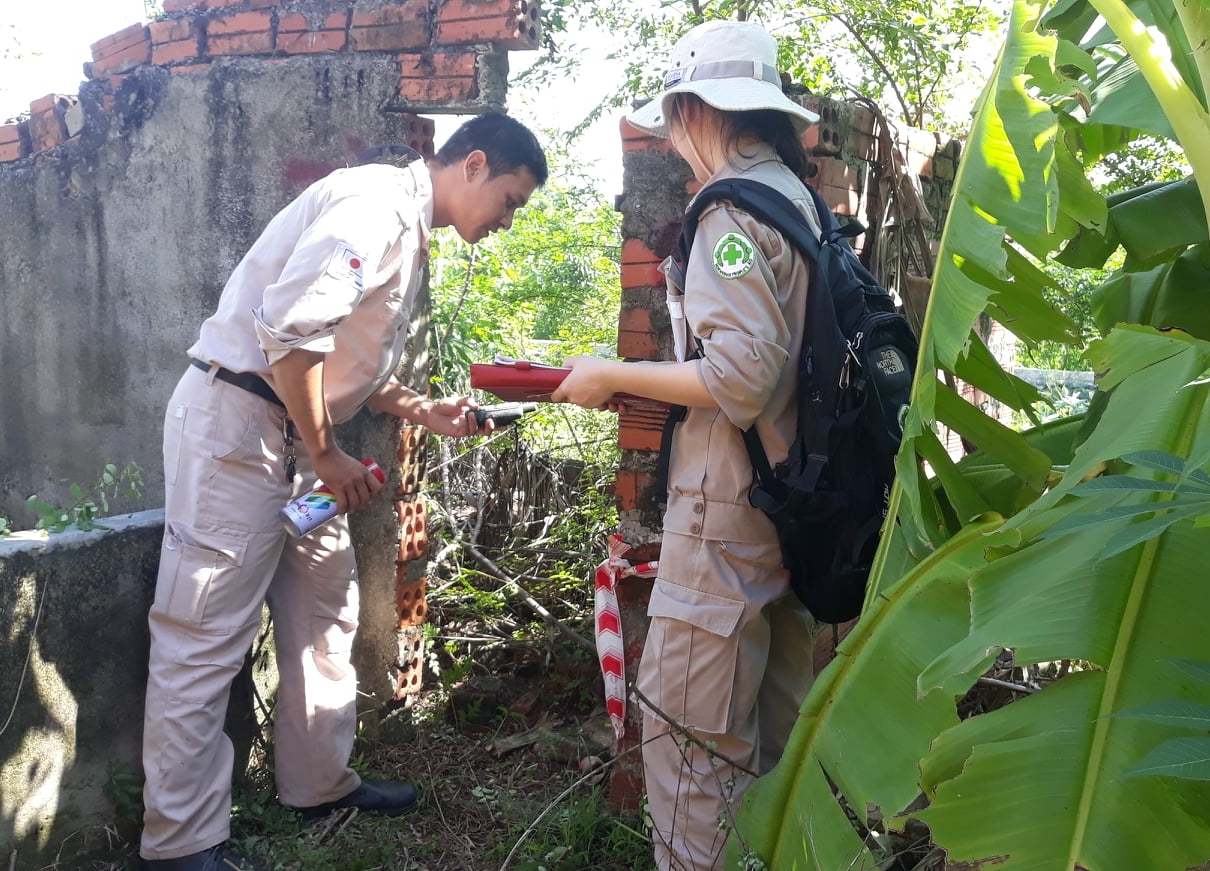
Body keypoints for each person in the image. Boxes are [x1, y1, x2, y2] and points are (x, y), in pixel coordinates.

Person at [141, 112, 548, 871]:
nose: (506, 221)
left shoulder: (409, 223)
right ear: (475, 165)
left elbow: (341, 348)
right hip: (242, 430)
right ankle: (180, 846)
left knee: (326, 609)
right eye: (511, 200)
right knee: (202, 638)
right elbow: (291, 333)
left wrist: (421, 407)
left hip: (297, 444)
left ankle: (317, 782)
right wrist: (328, 452)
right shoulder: (376, 207)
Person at [551, 20, 819, 871]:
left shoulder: (734, 211)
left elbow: (741, 378)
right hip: (792, 506)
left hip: (729, 509)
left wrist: (613, 375)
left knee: (692, 748)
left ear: (696, 108)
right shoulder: (798, 198)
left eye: (673, 119)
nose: (672, 141)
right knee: (769, 743)